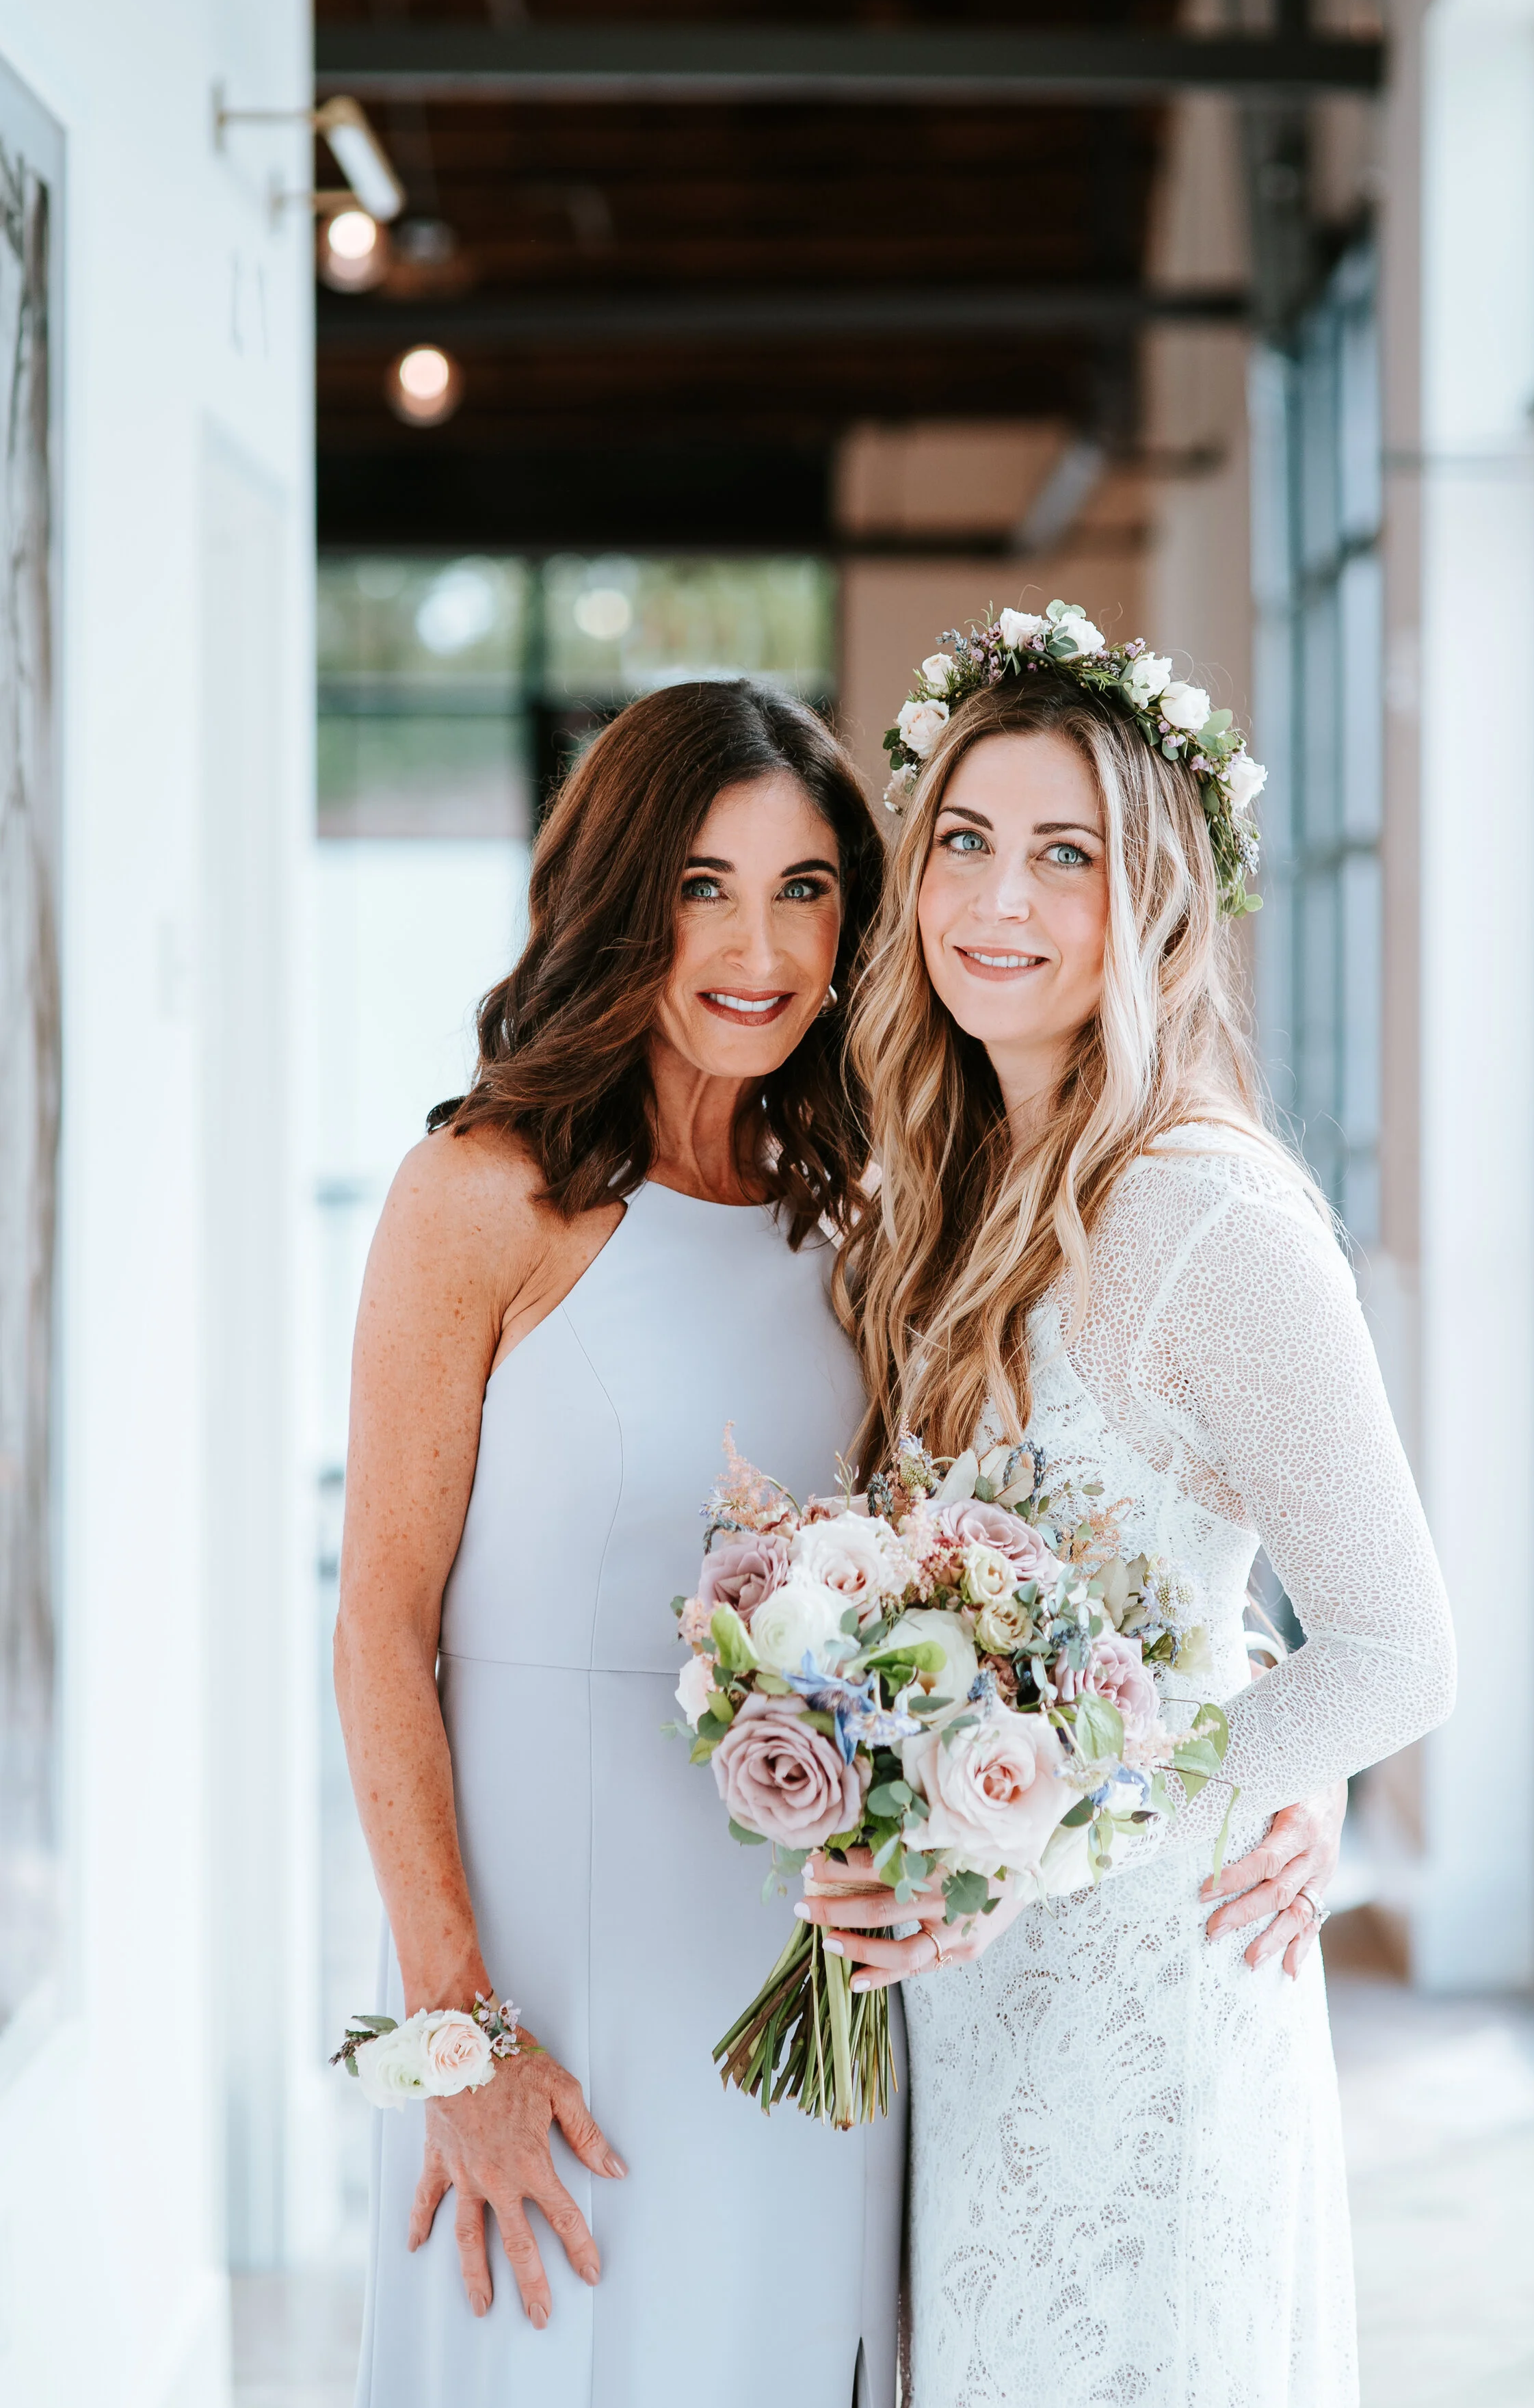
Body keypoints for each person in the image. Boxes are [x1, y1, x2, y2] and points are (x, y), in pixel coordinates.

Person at [812, 629, 1456, 2405]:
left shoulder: (1209, 1217)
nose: (995, 899)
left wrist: (1036, 1834)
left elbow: (1398, 1650)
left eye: (1064, 853)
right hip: (977, 2010)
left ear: (1154, 896)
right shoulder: (941, 1187)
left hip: (1154, 2001)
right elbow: (1152, 1573)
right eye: (963, 840)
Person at [334, 679, 903, 2408]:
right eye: (701, 886)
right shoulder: (480, 1193)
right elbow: (378, 1625)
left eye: (803, 888)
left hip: (796, 1982)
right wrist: (456, 2032)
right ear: (617, 897)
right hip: (539, 1982)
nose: (758, 947)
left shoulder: (860, 1218)